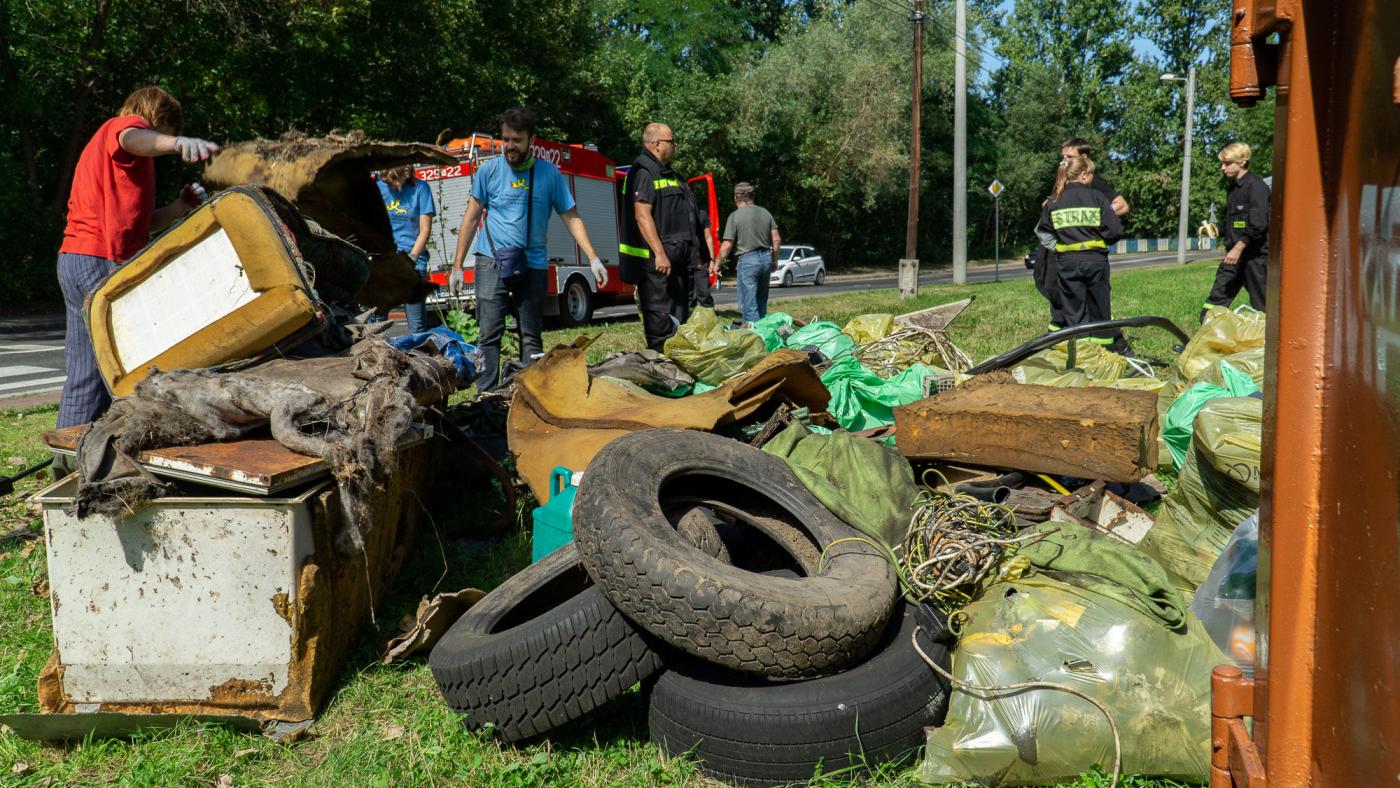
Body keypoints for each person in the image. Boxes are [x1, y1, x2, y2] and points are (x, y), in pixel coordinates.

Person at [55, 85, 219, 428]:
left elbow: (142, 225)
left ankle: (67, 459)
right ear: (157, 120)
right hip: (97, 259)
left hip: (78, 256)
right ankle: (112, 447)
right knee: (131, 361)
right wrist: (175, 144)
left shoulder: (122, 163)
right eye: (167, 133)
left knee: (86, 370)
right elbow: (134, 137)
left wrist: (180, 206)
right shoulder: (122, 128)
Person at [448, 106, 607, 391]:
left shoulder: (549, 175)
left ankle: (529, 395)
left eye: (516, 140)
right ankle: (485, 398)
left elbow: (571, 217)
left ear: (531, 140)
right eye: (505, 139)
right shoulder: (489, 172)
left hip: (532, 263)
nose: (509, 146)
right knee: (489, 334)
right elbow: (471, 218)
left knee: (531, 335)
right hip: (490, 261)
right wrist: (458, 266)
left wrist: (593, 258)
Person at [619, 123, 705, 351]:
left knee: (679, 327)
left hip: (677, 267)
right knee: (660, 329)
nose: (675, 145)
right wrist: (659, 253)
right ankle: (662, 372)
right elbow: (642, 215)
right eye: (671, 141)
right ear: (656, 144)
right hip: (656, 268)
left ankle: (677, 373)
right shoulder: (644, 171)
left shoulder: (670, 174)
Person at [1034, 138, 1130, 332]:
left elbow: (1122, 205)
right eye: (1062, 157)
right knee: (1057, 293)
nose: (1063, 161)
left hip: (1075, 250)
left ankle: (1083, 339)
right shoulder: (1065, 179)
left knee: (1086, 303)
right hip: (1064, 250)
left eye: (1069, 157)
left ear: (1083, 159)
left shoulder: (1094, 182)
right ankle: (1061, 336)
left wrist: (1090, 222)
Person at [1203, 142, 1270, 319]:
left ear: (1242, 162)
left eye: (1227, 163)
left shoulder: (1257, 187)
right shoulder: (1233, 189)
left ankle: (1268, 342)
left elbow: (1258, 225)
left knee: (1263, 305)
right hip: (1233, 258)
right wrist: (1216, 230)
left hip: (1254, 259)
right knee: (1216, 298)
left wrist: (1238, 248)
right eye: (1222, 163)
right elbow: (1234, 223)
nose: (1222, 168)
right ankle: (1202, 337)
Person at [375, 164, 436, 333]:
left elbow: (425, 230)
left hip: (413, 260)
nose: (409, 166)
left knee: (417, 329)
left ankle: (419, 356)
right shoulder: (377, 188)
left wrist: (411, 258)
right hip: (384, 261)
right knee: (375, 327)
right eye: (403, 163)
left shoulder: (421, 188)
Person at [716, 182, 780, 325]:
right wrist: (774, 260)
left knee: (749, 305)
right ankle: (766, 335)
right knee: (761, 301)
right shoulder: (765, 213)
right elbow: (776, 240)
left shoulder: (735, 216)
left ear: (735, 197)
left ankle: (755, 340)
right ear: (753, 196)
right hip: (765, 258)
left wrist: (717, 264)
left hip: (748, 261)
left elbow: (726, 245)